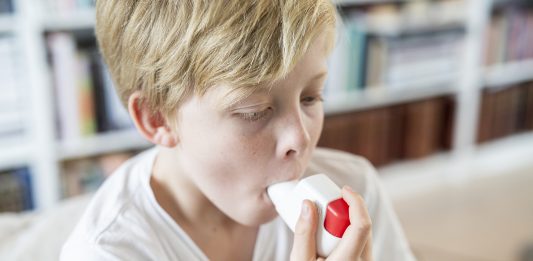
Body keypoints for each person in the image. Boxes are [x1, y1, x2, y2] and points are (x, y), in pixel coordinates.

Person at [61, 0, 415, 260]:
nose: (300, 138)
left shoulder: (355, 197)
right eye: (254, 111)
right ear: (158, 118)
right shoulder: (108, 251)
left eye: (311, 97)